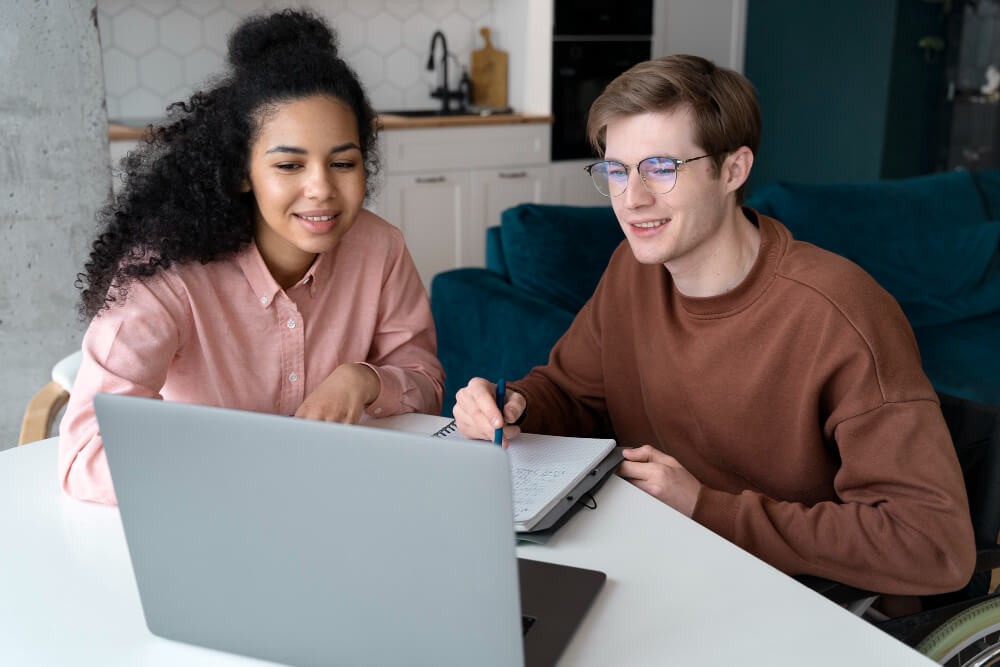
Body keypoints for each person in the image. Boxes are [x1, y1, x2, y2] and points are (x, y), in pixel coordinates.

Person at [454, 55, 975, 597]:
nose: (631, 199)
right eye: (615, 170)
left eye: (661, 168)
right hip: (662, 564)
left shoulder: (839, 312)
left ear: (733, 170)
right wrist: (513, 406)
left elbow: (933, 544)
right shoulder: (632, 272)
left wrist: (704, 507)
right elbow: (571, 392)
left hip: (801, 598)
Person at [59, 9, 443, 504]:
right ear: (244, 172)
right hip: (210, 515)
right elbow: (85, 456)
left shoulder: (380, 248)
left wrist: (364, 380)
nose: (321, 188)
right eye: (289, 164)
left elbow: (426, 384)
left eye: (343, 163)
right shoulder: (167, 272)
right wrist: (245, 462)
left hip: (338, 503)